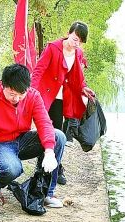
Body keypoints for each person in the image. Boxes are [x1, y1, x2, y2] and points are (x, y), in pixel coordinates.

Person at [0, 64, 66, 208]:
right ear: (3, 85)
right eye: (11, 94)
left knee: (58, 136)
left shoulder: (33, 96)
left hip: (22, 139)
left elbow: (44, 123)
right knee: (12, 169)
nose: (16, 98)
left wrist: (49, 151)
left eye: (21, 94)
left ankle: (46, 192)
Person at [31, 21, 95, 185]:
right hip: (47, 95)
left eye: (80, 41)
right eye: (75, 39)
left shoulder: (78, 53)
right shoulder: (53, 47)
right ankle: (45, 167)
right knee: (48, 130)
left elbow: (78, 77)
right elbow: (39, 70)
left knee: (58, 133)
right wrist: (31, 91)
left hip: (64, 98)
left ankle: (53, 167)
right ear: (69, 33)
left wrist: (84, 88)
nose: (76, 43)